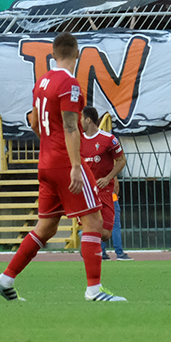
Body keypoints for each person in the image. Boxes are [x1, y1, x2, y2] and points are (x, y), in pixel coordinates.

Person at [0, 32, 126, 303]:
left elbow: (33, 123)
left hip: (45, 163)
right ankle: (94, 290)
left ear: (53, 54)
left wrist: (51, 147)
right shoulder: (70, 84)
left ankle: (6, 278)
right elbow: (69, 126)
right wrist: (76, 165)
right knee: (94, 222)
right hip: (65, 164)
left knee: (46, 227)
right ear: (77, 54)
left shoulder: (41, 82)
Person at [78, 105, 127, 261]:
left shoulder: (108, 139)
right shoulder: (77, 140)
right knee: (92, 224)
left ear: (88, 120)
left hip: (105, 189)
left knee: (106, 234)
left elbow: (121, 161)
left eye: (81, 118)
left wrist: (108, 178)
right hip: (86, 191)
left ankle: (85, 236)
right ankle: (87, 240)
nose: (79, 122)